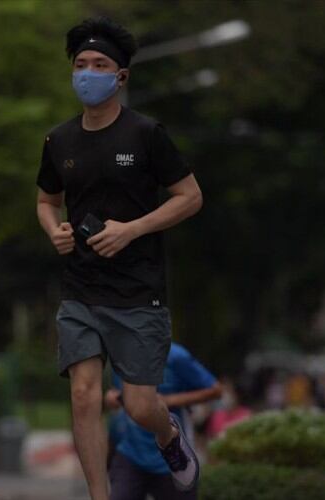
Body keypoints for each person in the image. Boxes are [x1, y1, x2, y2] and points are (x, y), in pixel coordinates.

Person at [35, 18, 203, 499]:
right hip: (81, 288)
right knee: (84, 395)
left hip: (138, 291)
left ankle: (170, 436)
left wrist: (133, 229)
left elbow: (190, 197)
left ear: (121, 76)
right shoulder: (58, 141)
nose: (88, 73)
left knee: (138, 406)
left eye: (100, 65)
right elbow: (47, 201)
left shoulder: (147, 134)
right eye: (81, 65)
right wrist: (56, 230)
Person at [104, 343, 220, 500]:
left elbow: (215, 390)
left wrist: (168, 400)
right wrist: (113, 397)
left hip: (172, 459)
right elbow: (119, 393)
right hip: (131, 453)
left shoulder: (176, 356)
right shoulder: (122, 354)